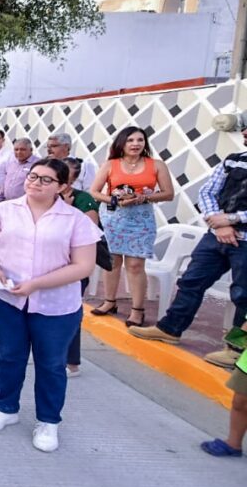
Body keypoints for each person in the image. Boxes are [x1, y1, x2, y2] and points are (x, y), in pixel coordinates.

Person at [0, 158, 101, 453]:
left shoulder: (75, 220)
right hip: (6, 299)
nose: (36, 183)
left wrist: (35, 284)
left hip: (56, 306)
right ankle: (6, 407)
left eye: (46, 179)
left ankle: (48, 420)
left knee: (51, 363)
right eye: (33, 177)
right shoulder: (3, 210)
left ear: (63, 186)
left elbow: (84, 266)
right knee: (10, 354)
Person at [129, 125, 247, 368]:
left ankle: (238, 350)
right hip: (216, 235)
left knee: (243, 296)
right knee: (191, 281)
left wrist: (233, 219)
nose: (244, 131)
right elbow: (207, 192)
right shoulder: (234, 160)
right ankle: (170, 329)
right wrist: (219, 222)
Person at [89, 126, 174, 327]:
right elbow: (94, 191)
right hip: (113, 218)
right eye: (130, 140)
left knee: (135, 265)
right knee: (112, 262)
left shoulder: (156, 165)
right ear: (122, 143)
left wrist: (142, 198)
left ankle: (138, 309)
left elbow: (168, 194)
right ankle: (110, 301)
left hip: (141, 219)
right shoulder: (111, 164)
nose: (136, 144)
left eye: (140, 140)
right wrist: (115, 200)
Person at [59, 157, 100, 377]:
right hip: (47, 264)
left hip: (73, 265)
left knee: (70, 311)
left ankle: (72, 362)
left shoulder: (83, 199)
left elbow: (90, 229)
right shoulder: (47, 195)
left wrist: (66, 210)